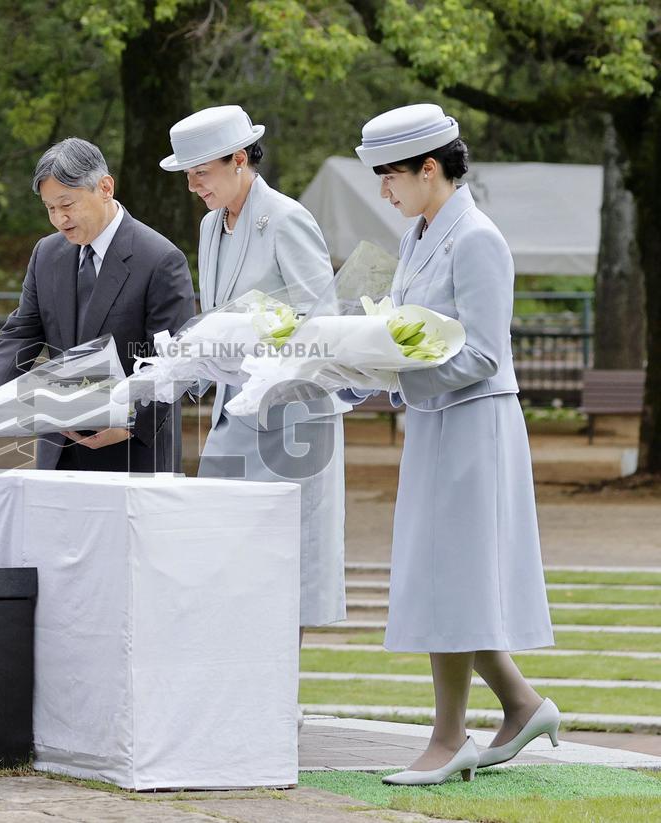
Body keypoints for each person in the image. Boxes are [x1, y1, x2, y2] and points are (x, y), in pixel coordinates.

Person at [352, 103, 557, 786]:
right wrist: (363, 365)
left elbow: (485, 356)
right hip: (436, 422)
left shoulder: (477, 238)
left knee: (453, 579)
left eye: (390, 176)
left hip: (474, 424)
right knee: (442, 576)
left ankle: (449, 737)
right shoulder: (420, 231)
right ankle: (522, 705)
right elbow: (412, 329)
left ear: (429, 169)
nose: (386, 189)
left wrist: (396, 374)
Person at [160, 105, 348, 662]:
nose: (193, 186)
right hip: (232, 410)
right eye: (188, 175)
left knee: (286, 562)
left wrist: (255, 346)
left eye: (201, 173)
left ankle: (275, 702)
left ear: (239, 159)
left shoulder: (286, 218)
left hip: (292, 415)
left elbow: (324, 321)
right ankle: (238, 692)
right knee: (227, 558)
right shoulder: (209, 226)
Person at [0, 137, 196, 472]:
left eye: (67, 205)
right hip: (58, 448)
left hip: (131, 452)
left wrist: (129, 421)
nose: (60, 219)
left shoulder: (160, 259)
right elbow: (21, 333)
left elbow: (175, 362)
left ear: (105, 187)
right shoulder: (46, 255)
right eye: (50, 209)